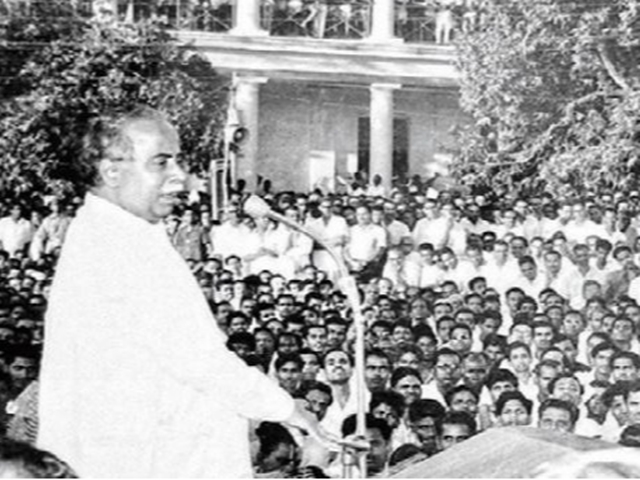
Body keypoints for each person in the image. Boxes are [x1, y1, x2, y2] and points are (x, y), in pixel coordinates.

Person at [37, 106, 327, 477]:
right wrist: (289, 410)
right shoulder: (116, 246)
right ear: (112, 171)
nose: (180, 178)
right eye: (161, 163)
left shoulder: (122, 233)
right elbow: (196, 358)